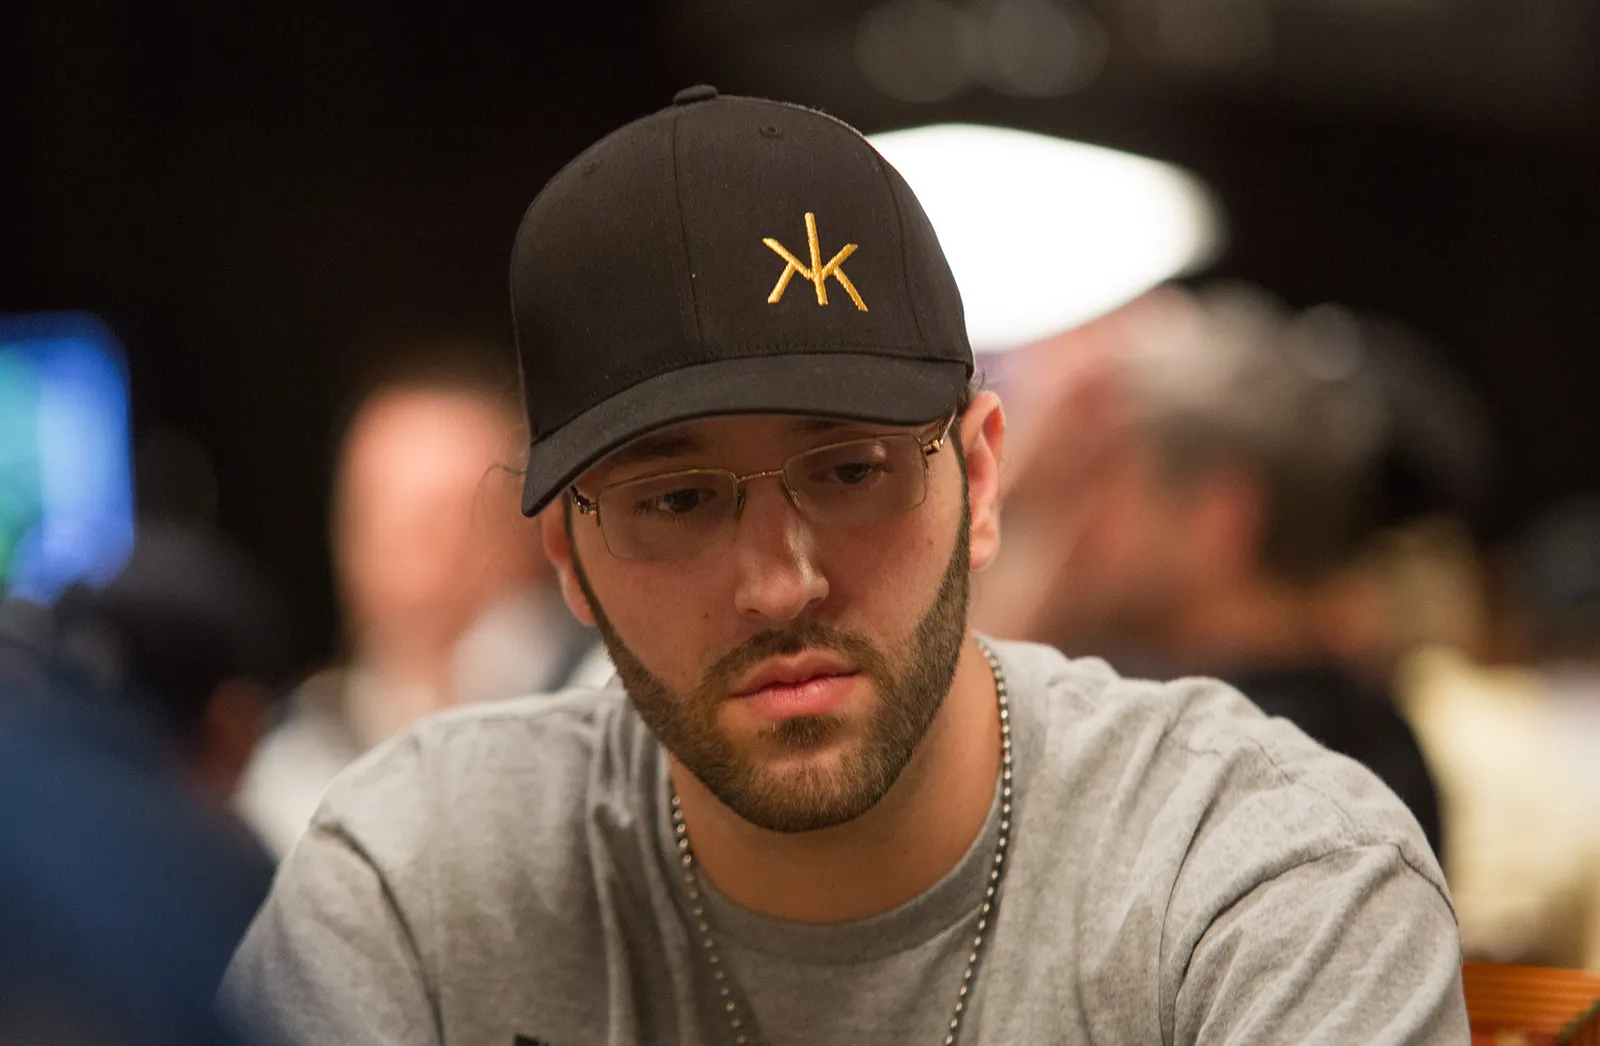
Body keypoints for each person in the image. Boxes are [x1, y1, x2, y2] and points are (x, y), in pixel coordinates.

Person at [223, 88, 1466, 1044]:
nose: (779, 582)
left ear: (979, 479)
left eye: (851, 471)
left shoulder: (1256, 870)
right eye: (677, 500)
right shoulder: (418, 879)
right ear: (569, 558)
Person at [976, 284, 1445, 853]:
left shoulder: (1179, 758)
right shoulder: (1383, 738)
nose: (1084, 520)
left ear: (1218, 519)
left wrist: (1010, 488)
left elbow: (957, 776)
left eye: (1110, 477)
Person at [235, 346, 595, 857]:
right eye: (376, 515)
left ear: (533, 534)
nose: (401, 553)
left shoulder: (597, 712)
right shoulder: (295, 751)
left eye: (441, 522)